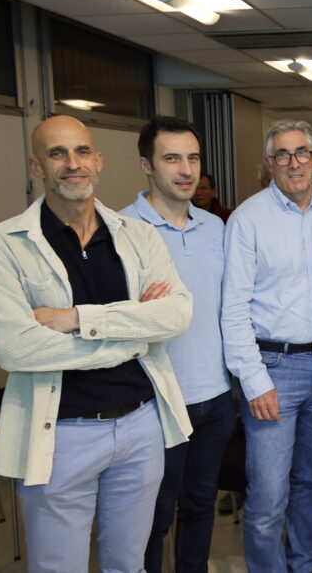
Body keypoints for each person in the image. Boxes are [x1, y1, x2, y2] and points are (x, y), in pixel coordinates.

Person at [0, 115, 192, 572]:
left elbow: (176, 315)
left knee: (128, 564)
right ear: (36, 167)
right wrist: (133, 337)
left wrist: (76, 319)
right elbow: (15, 349)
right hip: (60, 434)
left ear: (99, 160)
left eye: (82, 151)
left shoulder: (138, 235)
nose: (73, 164)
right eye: (57, 154)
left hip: (141, 426)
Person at [221, 119, 312, 572]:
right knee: (269, 494)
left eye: (301, 152)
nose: (294, 162)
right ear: (269, 164)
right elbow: (233, 309)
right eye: (282, 155)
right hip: (274, 368)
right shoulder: (248, 219)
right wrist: (254, 381)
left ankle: (304, 564)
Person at [120, 118, 235, 573]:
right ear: (146, 165)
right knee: (152, 515)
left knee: (200, 505)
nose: (186, 170)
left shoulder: (215, 227)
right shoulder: (121, 229)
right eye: (171, 158)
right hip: (155, 400)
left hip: (216, 395)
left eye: (193, 158)